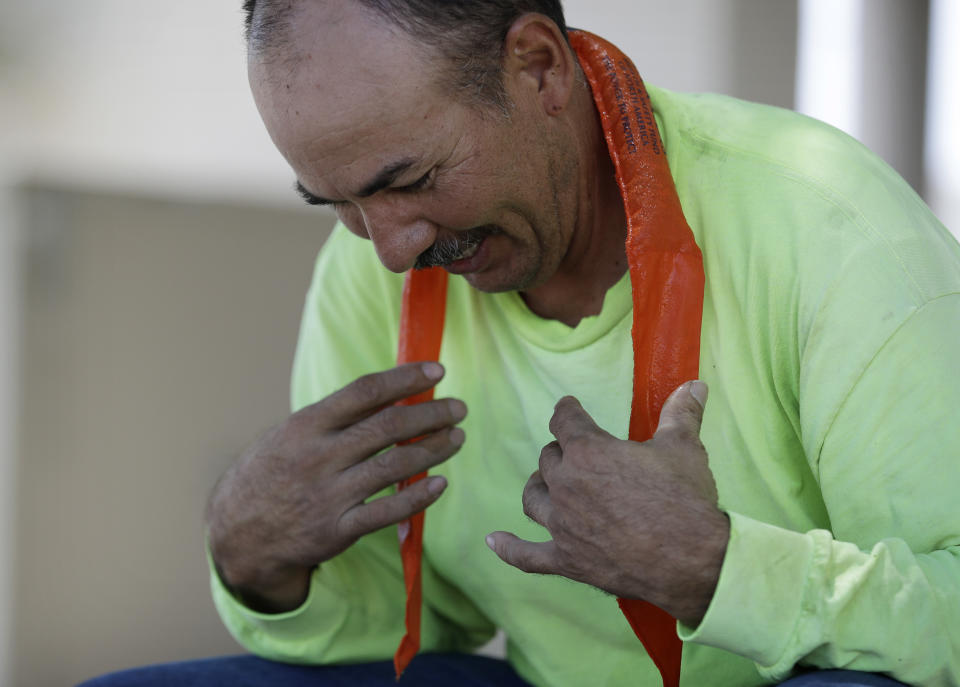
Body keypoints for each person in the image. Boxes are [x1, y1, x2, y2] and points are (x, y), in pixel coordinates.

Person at [80, 1, 960, 686]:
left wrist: (715, 567)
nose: (389, 248)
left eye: (411, 180)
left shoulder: (831, 224)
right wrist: (253, 558)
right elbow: (392, 634)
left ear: (539, 68)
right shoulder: (372, 267)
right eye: (338, 204)